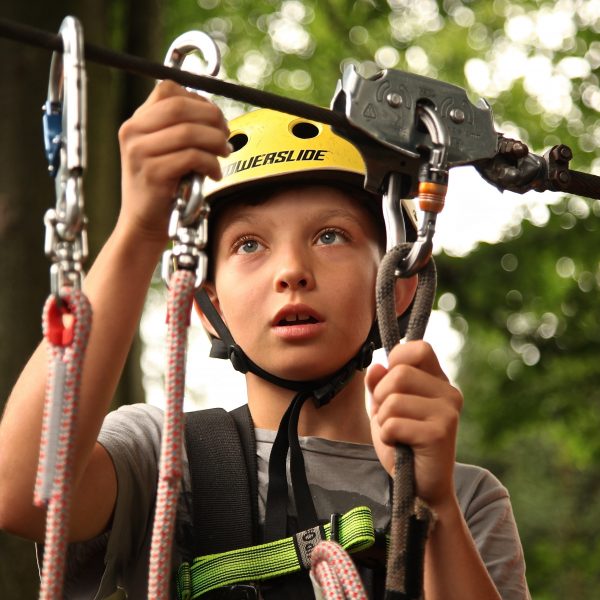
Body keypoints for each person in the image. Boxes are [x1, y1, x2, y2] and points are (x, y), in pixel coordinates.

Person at [0, 80, 530, 600]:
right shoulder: (164, 460)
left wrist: (432, 504)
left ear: (395, 286)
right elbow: (25, 491)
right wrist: (139, 229)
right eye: (249, 244)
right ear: (208, 306)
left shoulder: (467, 499)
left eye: (330, 235)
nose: (292, 271)